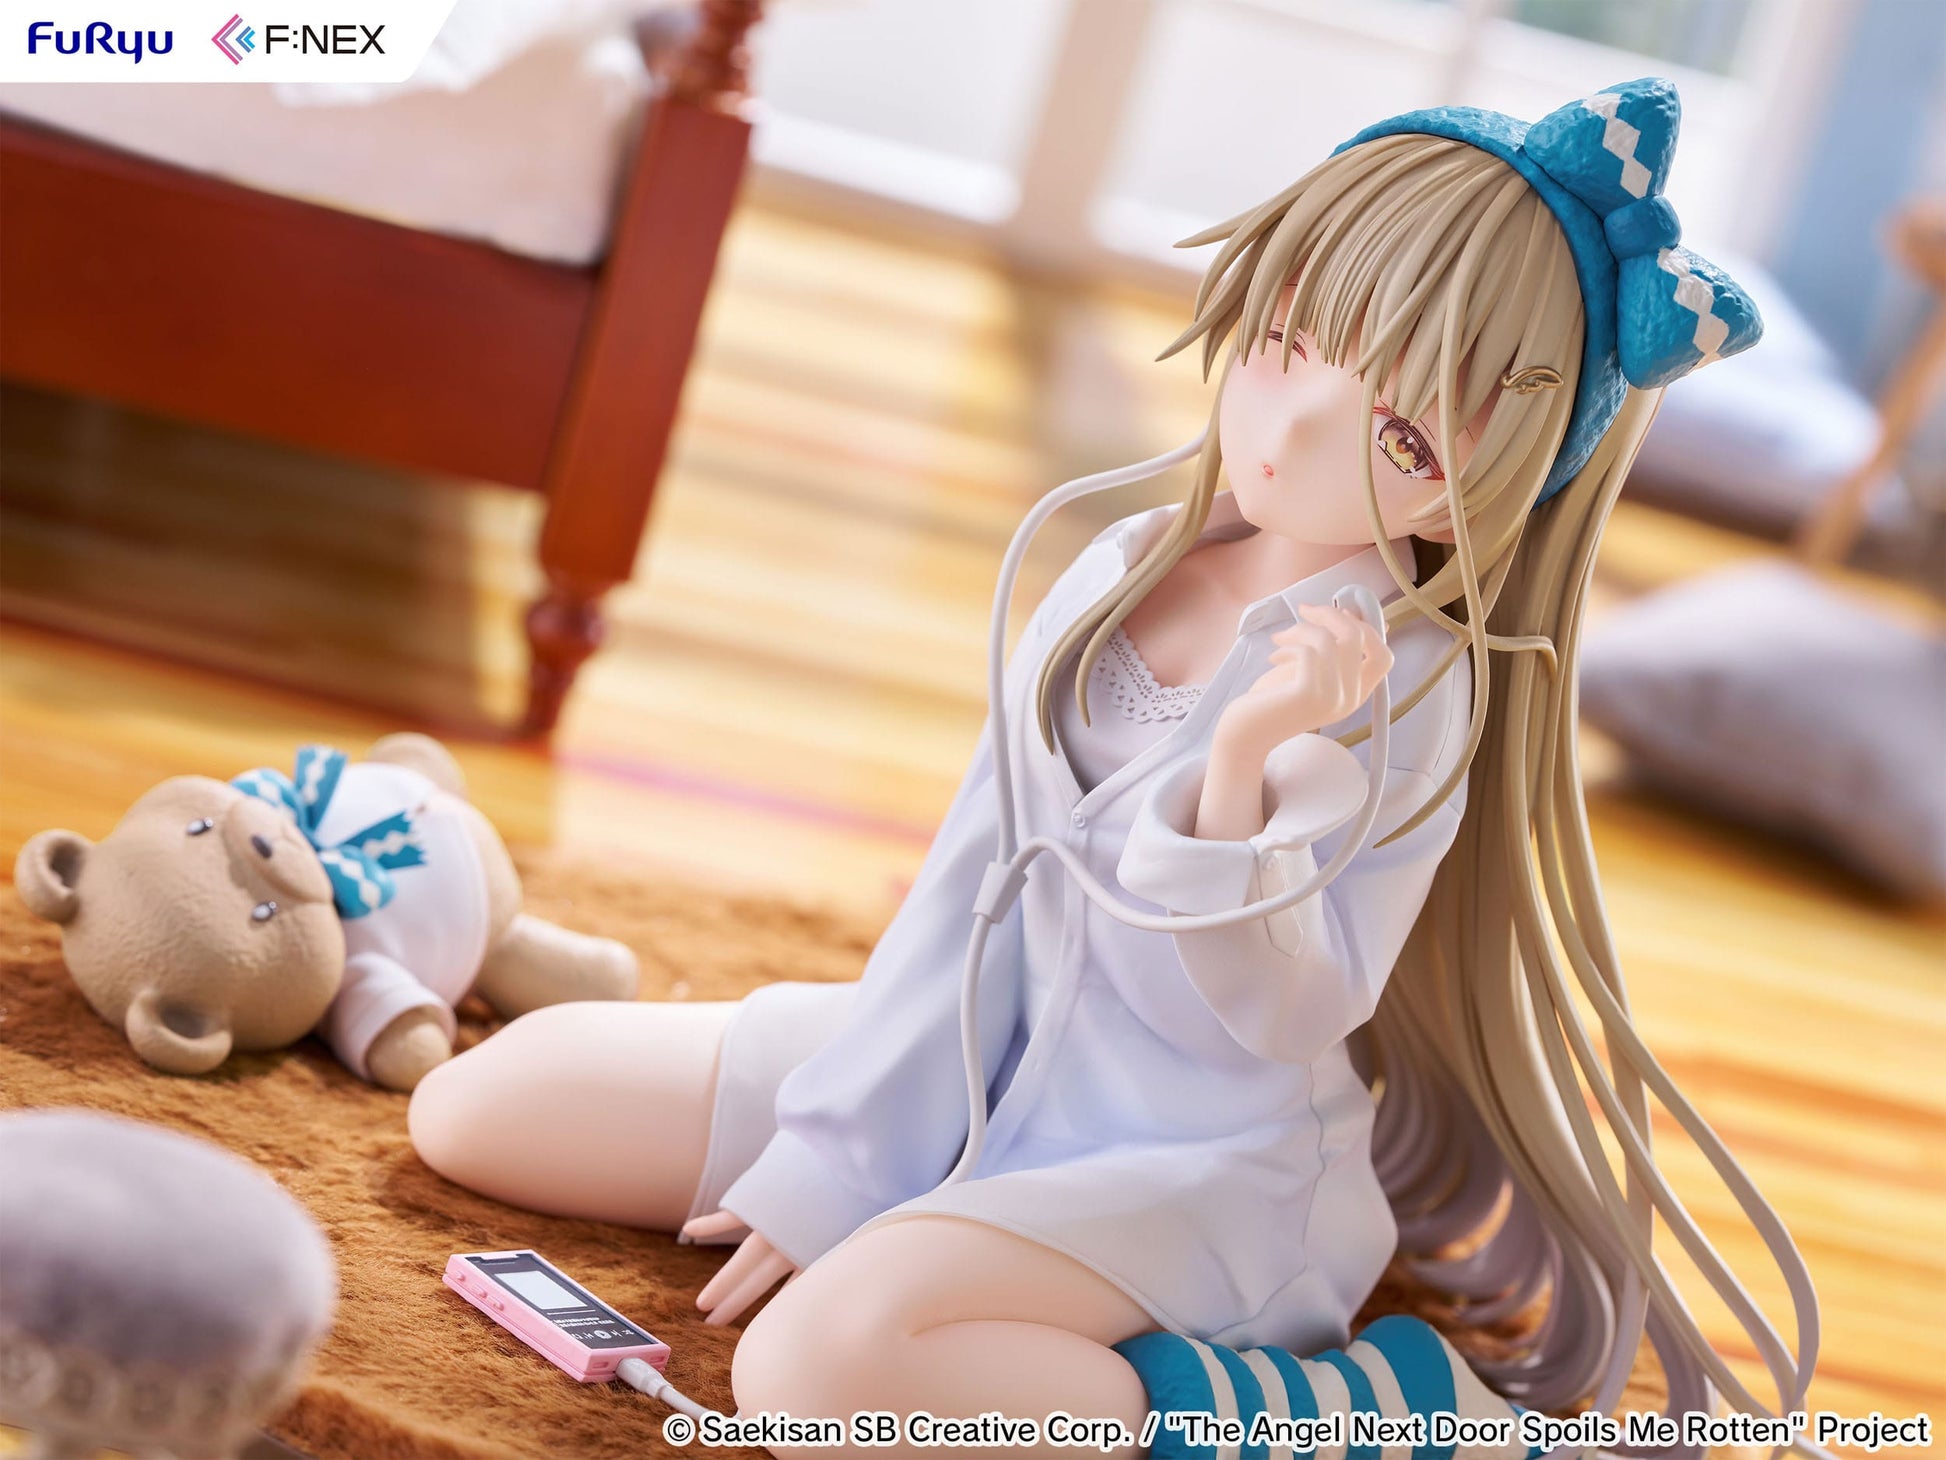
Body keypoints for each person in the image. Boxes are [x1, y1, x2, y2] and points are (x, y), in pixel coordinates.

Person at [407, 80, 1816, 1458]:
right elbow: (969, 875)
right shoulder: (1121, 561)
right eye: (1283, 342)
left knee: (815, 1374)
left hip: (1177, 1161)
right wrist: (845, 1148)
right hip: (977, 1055)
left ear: (1489, 484)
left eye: (1396, 433)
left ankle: (1339, 1415)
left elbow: (1278, 1013)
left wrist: (1241, 766)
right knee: (485, 1107)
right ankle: (921, 1223)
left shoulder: (1408, 692)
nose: (1288, 430)